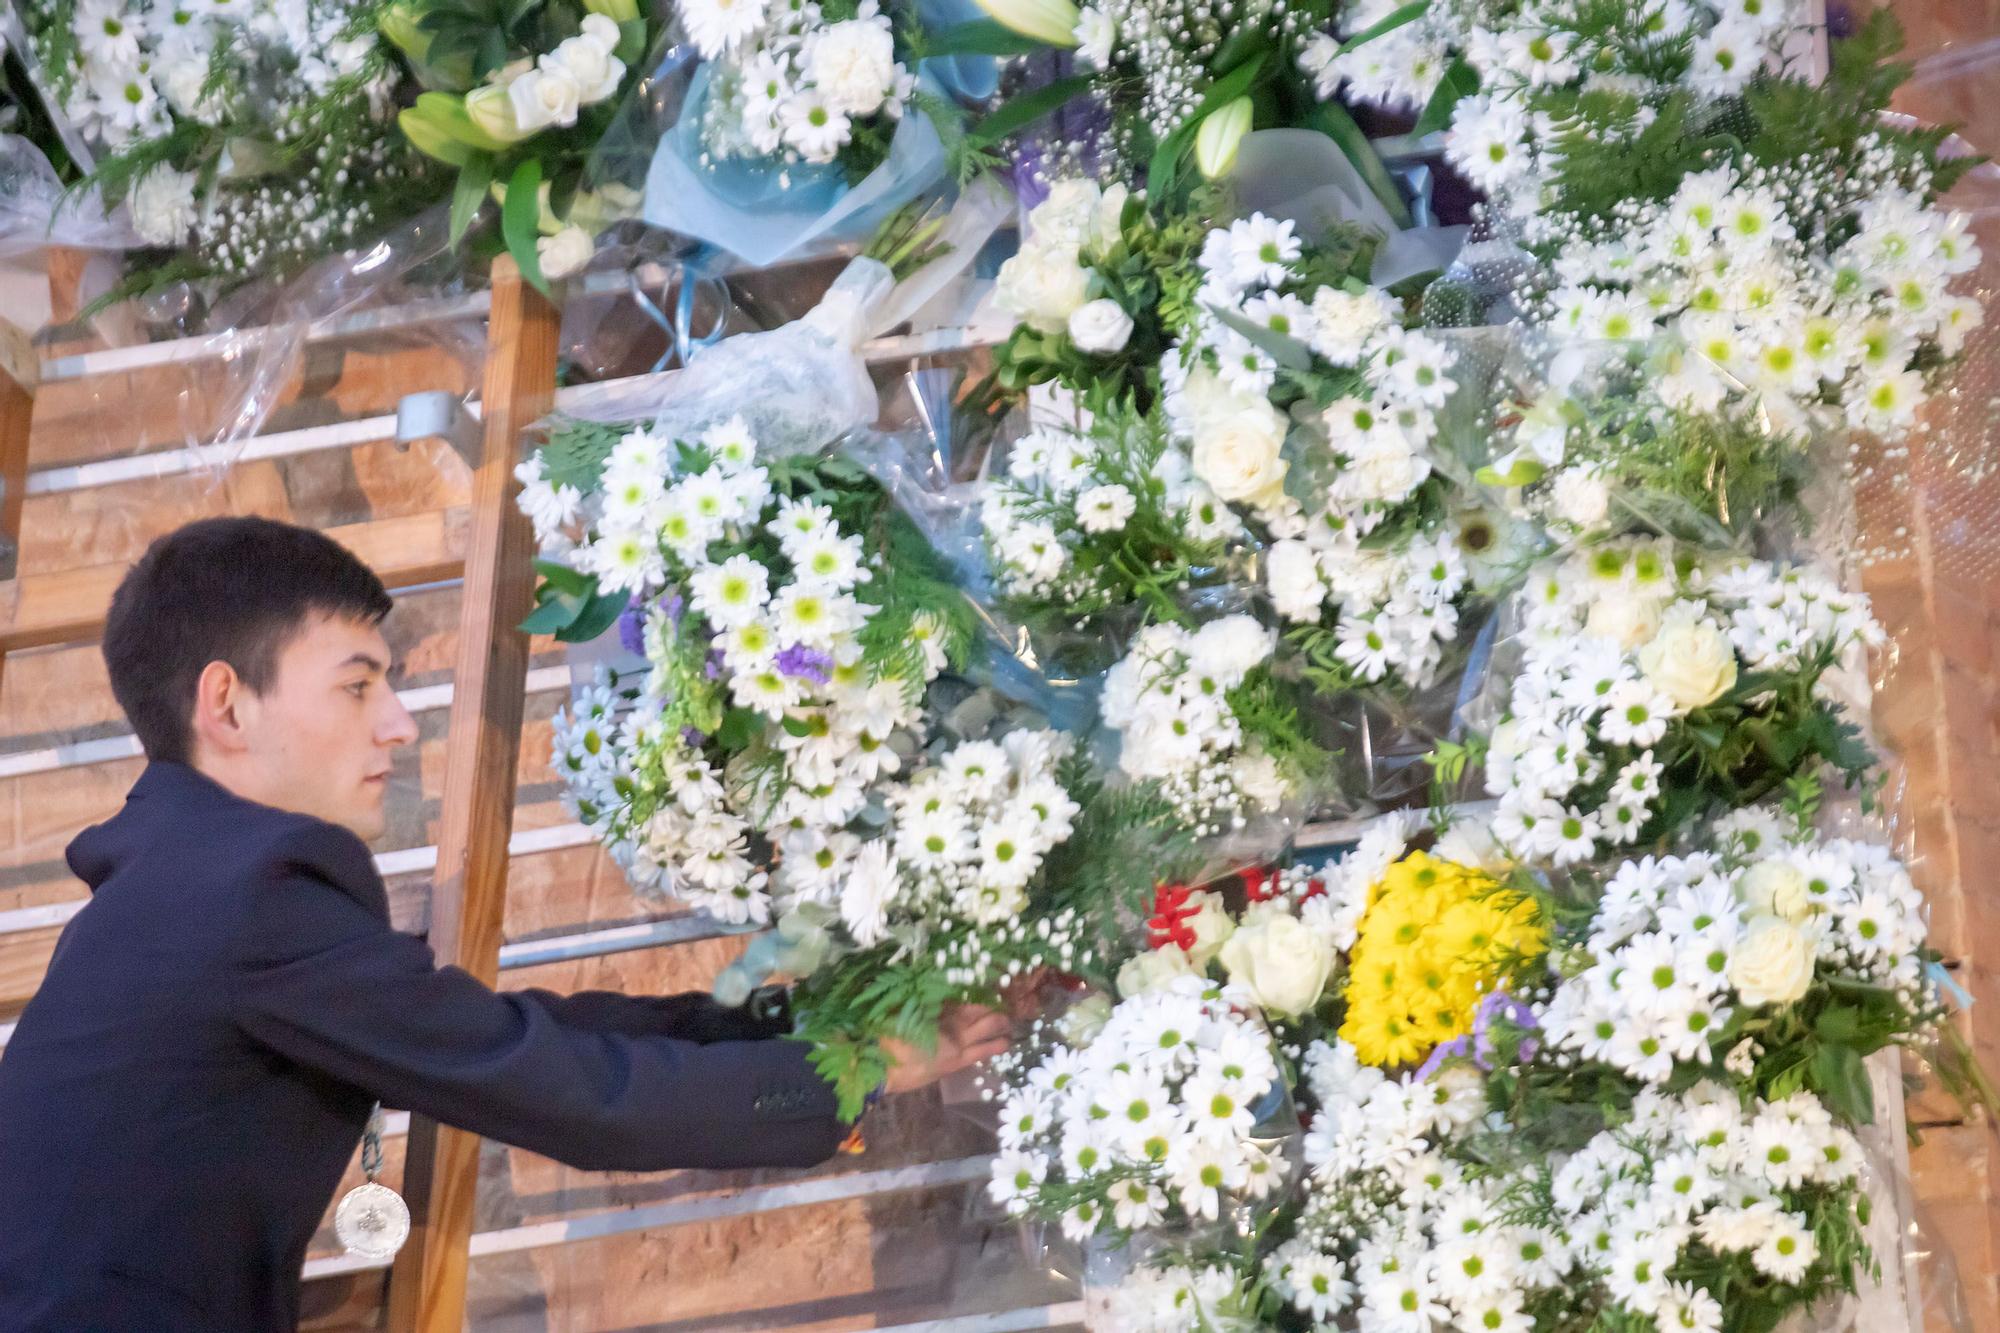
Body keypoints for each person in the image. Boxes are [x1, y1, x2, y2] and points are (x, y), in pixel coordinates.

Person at [0, 516, 1010, 1331]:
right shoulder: (234, 895)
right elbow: (570, 1096)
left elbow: (507, 1036)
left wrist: (802, 1033)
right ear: (227, 704)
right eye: (357, 684)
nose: (398, 723)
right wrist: (849, 1067)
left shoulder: (181, 884)